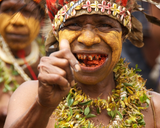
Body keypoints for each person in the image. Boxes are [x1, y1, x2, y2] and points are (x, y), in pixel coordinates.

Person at [4, 0, 160, 127]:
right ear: (57, 35)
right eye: (74, 24)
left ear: (123, 35)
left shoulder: (153, 108)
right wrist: (43, 107)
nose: (88, 39)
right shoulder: (31, 96)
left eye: (105, 25)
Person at [0, 0, 45, 127]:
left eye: (27, 12)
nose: (17, 21)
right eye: (8, 10)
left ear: (41, 20)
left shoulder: (52, 61)